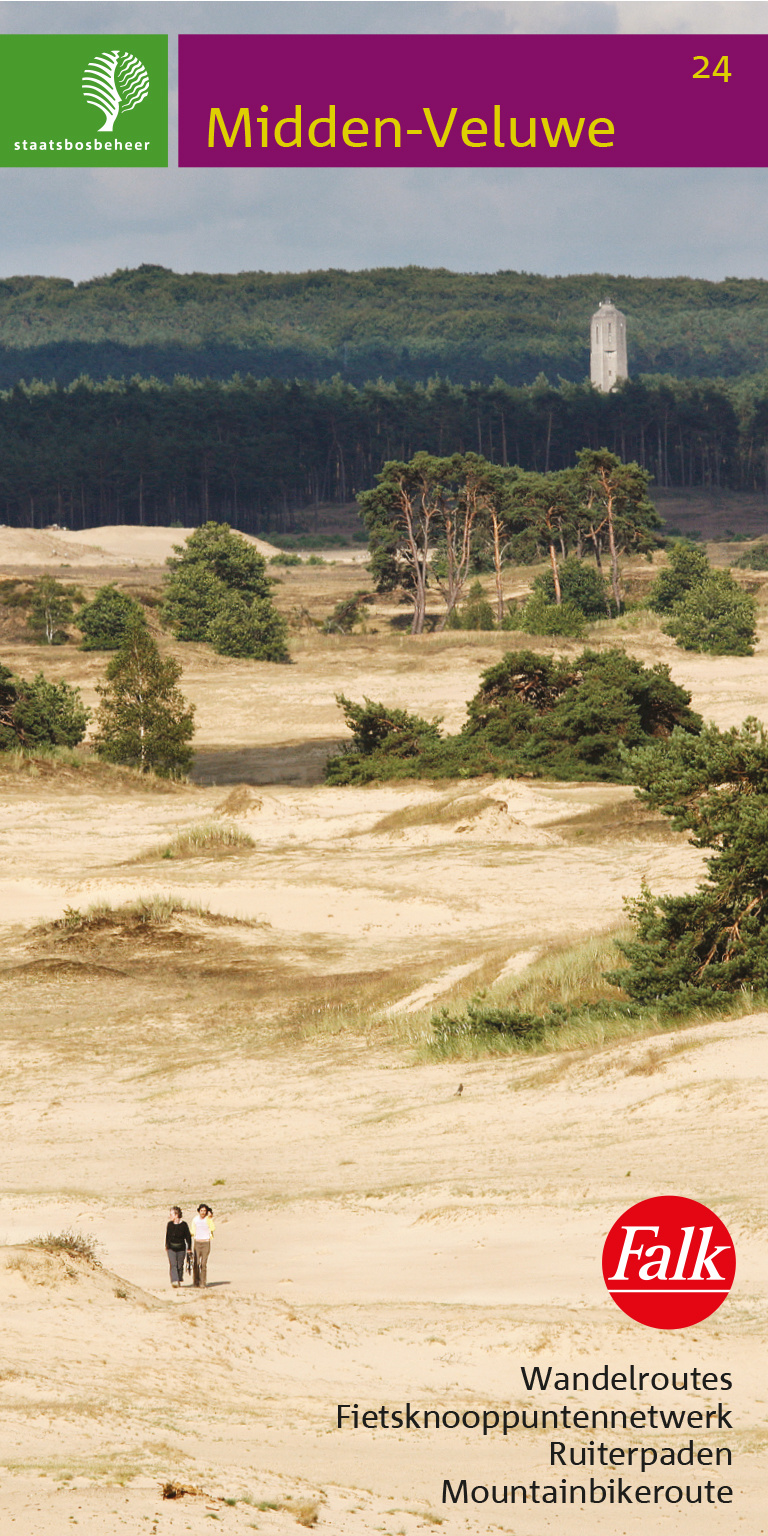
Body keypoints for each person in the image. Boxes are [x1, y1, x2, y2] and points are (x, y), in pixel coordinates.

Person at [165, 1206, 191, 1287]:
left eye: (171, 1214)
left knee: (180, 1265)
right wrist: (167, 1245)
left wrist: (189, 1248)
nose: (170, 1216)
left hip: (181, 1248)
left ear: (176, 1215)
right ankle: (174, 1281)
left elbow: (188, 1237)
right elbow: (167, 1236)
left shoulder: (184, 1225)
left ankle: (179, 1278)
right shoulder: (169, 1224)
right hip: (171, 1248)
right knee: (173, 1264)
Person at [191, 1203, 215, 1287]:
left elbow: (212, 1228)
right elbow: (192, 1231)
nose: (203, 1212)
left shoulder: (208, 1219)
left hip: (206, 1242)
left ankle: (203, 1282)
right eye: (201, 1210)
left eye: (204, 1211)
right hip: (197, 1242)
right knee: (196, 1263)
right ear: (199, 1211)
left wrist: (210, 1218)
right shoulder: (195, 1219)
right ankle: (196, 1281)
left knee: (203, 1264)